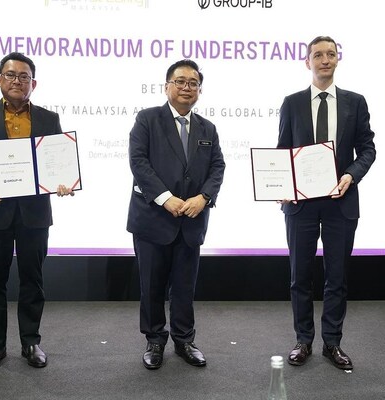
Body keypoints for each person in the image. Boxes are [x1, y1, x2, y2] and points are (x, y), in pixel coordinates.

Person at [0, 52, 74, 373]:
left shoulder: (48, 118)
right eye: (10, 75)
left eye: (23, 77)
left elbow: (57, 162)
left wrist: (63, 182)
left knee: (33, 280)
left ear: (33, 83)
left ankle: (31, 342)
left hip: (34, 215)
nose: (17, 81)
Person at [277, 36, 376, 370]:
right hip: (301, 204)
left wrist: (351, 174)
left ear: (337, 60)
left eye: (330, 54)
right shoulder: (291, 103)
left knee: (337, 277)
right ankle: (303, 341)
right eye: (317, 55)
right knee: (299, 276)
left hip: (341, 201)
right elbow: (282, 152)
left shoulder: (355, 102)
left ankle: (332, 344)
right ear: (308, 62)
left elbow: (368, 149)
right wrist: (280, 183)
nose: (324, 59)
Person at [126, 59, 225, 370]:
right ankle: (155, 340)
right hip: (153, 219)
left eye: (193, 83)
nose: (186, 87)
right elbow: (139, 163)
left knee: (184, 286)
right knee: (152, 286)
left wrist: (204, 197)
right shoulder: (147, 119)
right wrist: (165, 198)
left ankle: (184, 339)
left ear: (199, 90)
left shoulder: (207, 128)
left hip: (192, 221)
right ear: (166, 86)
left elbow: (217, 167)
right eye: (180, 81)